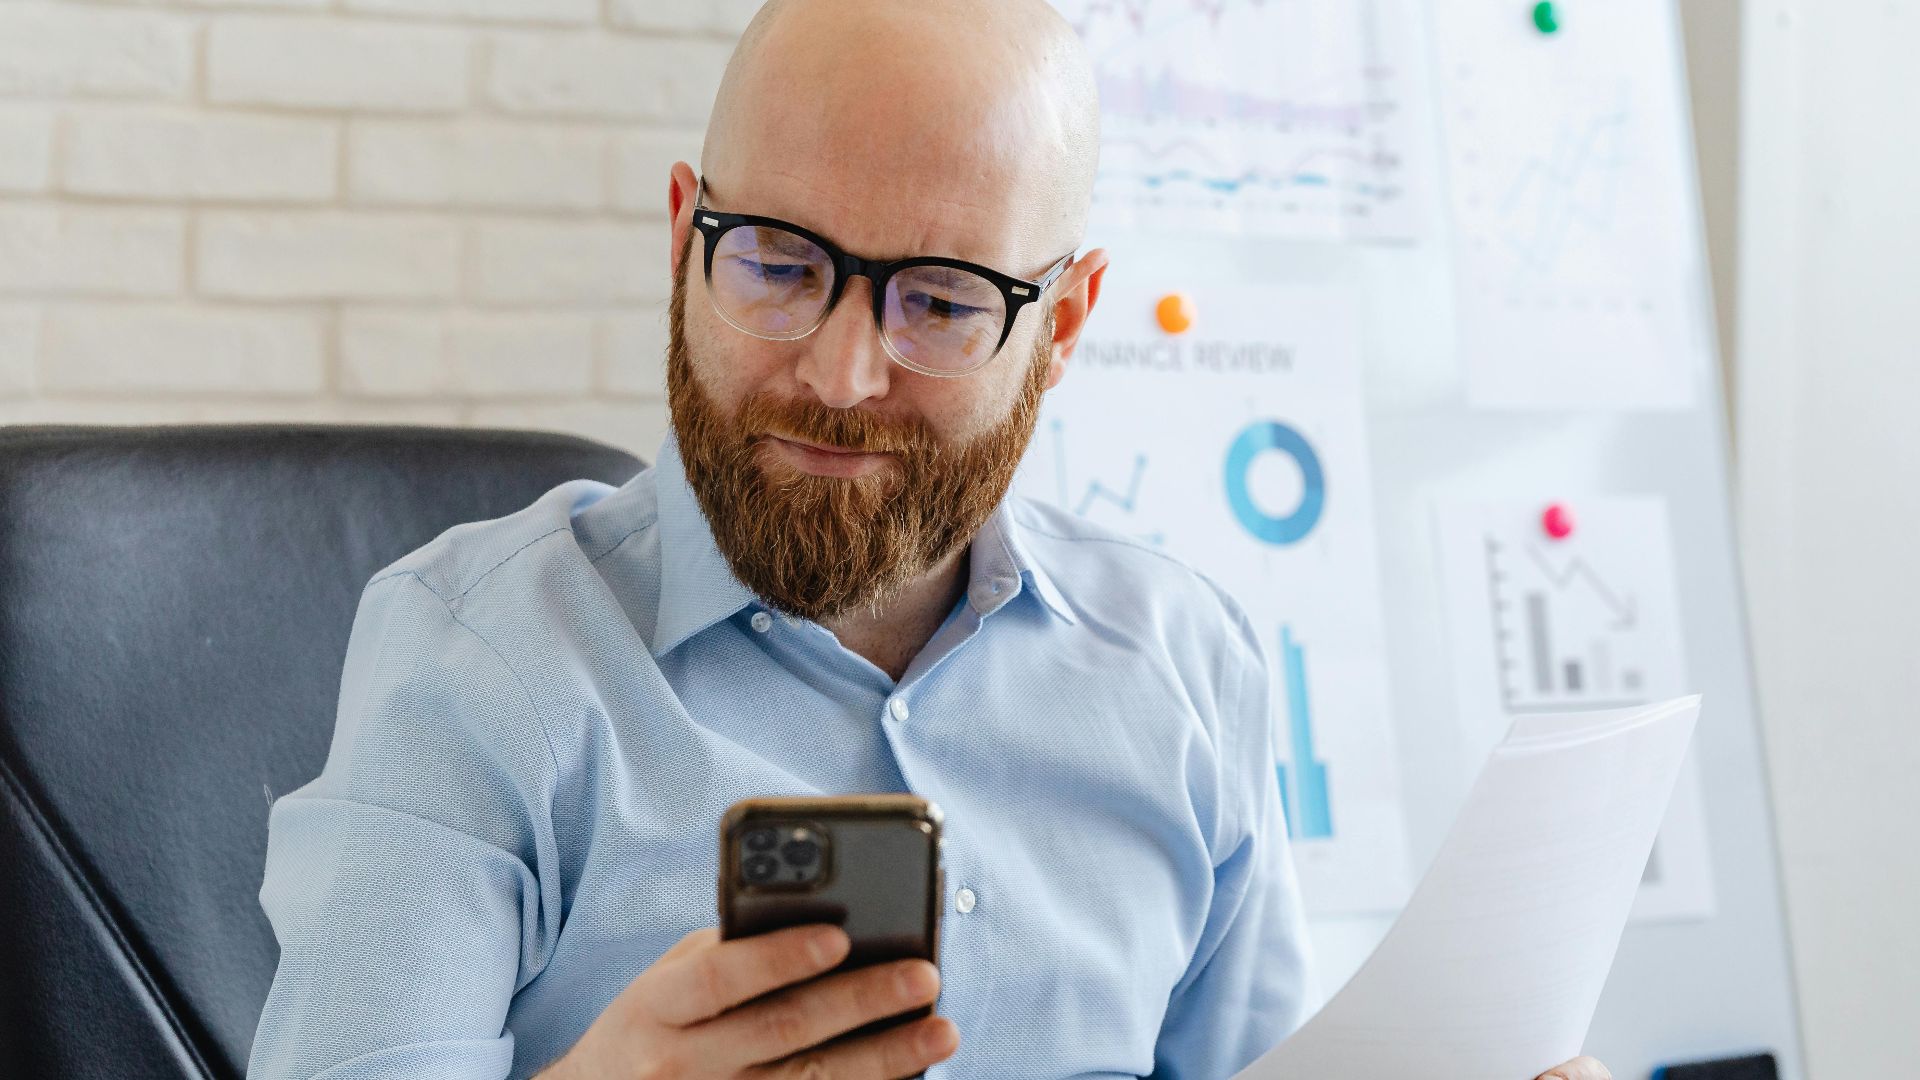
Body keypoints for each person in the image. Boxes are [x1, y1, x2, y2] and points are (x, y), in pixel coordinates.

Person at [246, 1, 1613, 1078]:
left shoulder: (1185, 667)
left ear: (1062, 327)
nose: (841, 376)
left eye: (943, 305)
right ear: (682, 239)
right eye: (778, 266)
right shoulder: (478, 666)